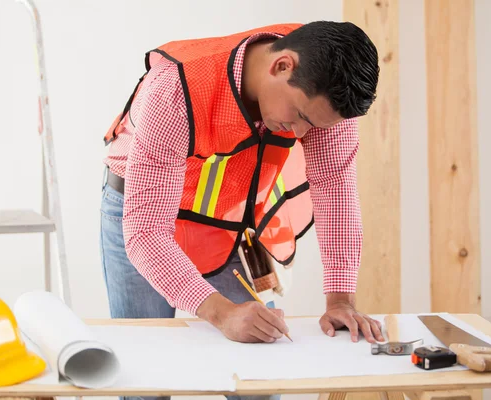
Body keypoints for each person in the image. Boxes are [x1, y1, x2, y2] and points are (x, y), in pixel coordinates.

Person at [99, 20, 385, 400]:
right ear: (282, 66)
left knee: (258, 379)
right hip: (140, 216)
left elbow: (335, 191)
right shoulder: (174, 89)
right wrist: (221, 313)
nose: (300, 134)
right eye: (299, 116)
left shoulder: (327, 91)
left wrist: (341, 299)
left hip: (231, 224)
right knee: (145, 377)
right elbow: (147, 232)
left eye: (312, 125)